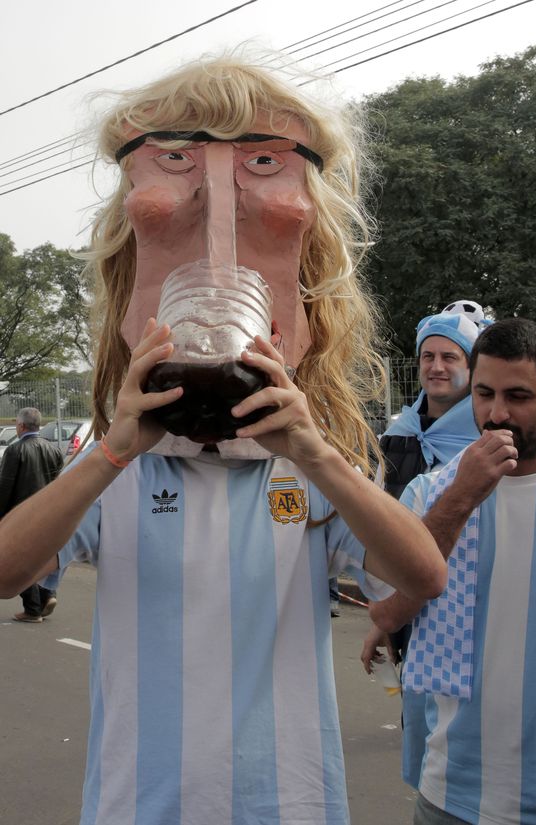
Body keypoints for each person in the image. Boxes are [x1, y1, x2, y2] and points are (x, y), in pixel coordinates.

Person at [0, 55, 446, 825]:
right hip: (138, 805)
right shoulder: (119, 466)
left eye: (262, 165)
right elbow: (8, 572)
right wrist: (114, 449)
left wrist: (313, 451)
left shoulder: (314, 460)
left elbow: (423, 574)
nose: (218, 252)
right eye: (173, 164)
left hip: (291, 805)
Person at [379, 317, 536, 824]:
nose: (497, 413)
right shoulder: (428, 492)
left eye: (518, 396)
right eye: (484, 393)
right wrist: (461, 496)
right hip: (452, 796)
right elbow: (388, 611)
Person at [361, 304, 482, 672]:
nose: (436, 366)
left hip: (469, 607)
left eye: (450, 357)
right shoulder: (399, 435)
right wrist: (384, 620)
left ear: (471, 368)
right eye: (428, 356)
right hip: (405, 609)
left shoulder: (487, 438)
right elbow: (379, 525)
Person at [0, 407, 63, 623]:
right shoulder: (53, 449)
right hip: (49, 515)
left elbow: (5, 487)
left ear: (20, 426)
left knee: (20, 562)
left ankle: (33, 609)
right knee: (42, 559)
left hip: (22, 516)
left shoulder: (14, 451)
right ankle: (48, 596)